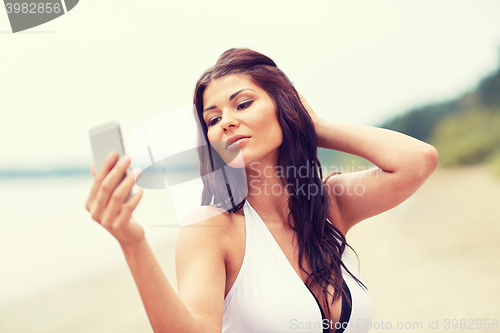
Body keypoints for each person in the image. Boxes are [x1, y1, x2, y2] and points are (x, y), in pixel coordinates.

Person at [85, 48, 439, 333]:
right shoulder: (212, 229)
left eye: (242, 104)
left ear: (282, 106)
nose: (226, 121)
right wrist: (133, 243)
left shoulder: (330, 205)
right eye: (212, 119)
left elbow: (417, 161)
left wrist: (312, 125)